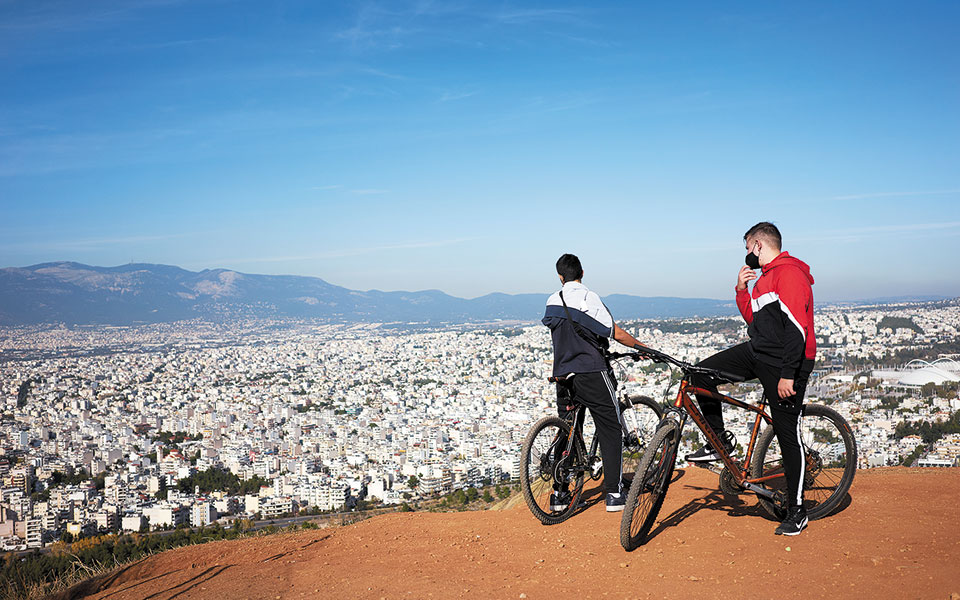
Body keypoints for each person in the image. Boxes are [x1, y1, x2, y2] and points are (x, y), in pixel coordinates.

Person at [684, 222, 816, 536]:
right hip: (758, 352)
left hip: (786, 362)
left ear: (758, 244)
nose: (746, 255)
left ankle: (797, 512)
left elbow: (799, 328)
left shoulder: (790, 274)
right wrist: (742, 291)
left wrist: (788, 375)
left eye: (747, 248)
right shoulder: (765, 279)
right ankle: (720, 442)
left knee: (787, 434)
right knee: (699, 375)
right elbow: (755, 322)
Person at [542, 253, 647, 512]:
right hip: (590, 371)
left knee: (568, 431)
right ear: (583, 273)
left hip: (562, 374)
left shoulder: (553, 300)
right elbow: (615, 332)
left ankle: (559, 495)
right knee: (610, 426)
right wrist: (642, 347)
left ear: (559, 276)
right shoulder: (589, 298)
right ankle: (614, 493)